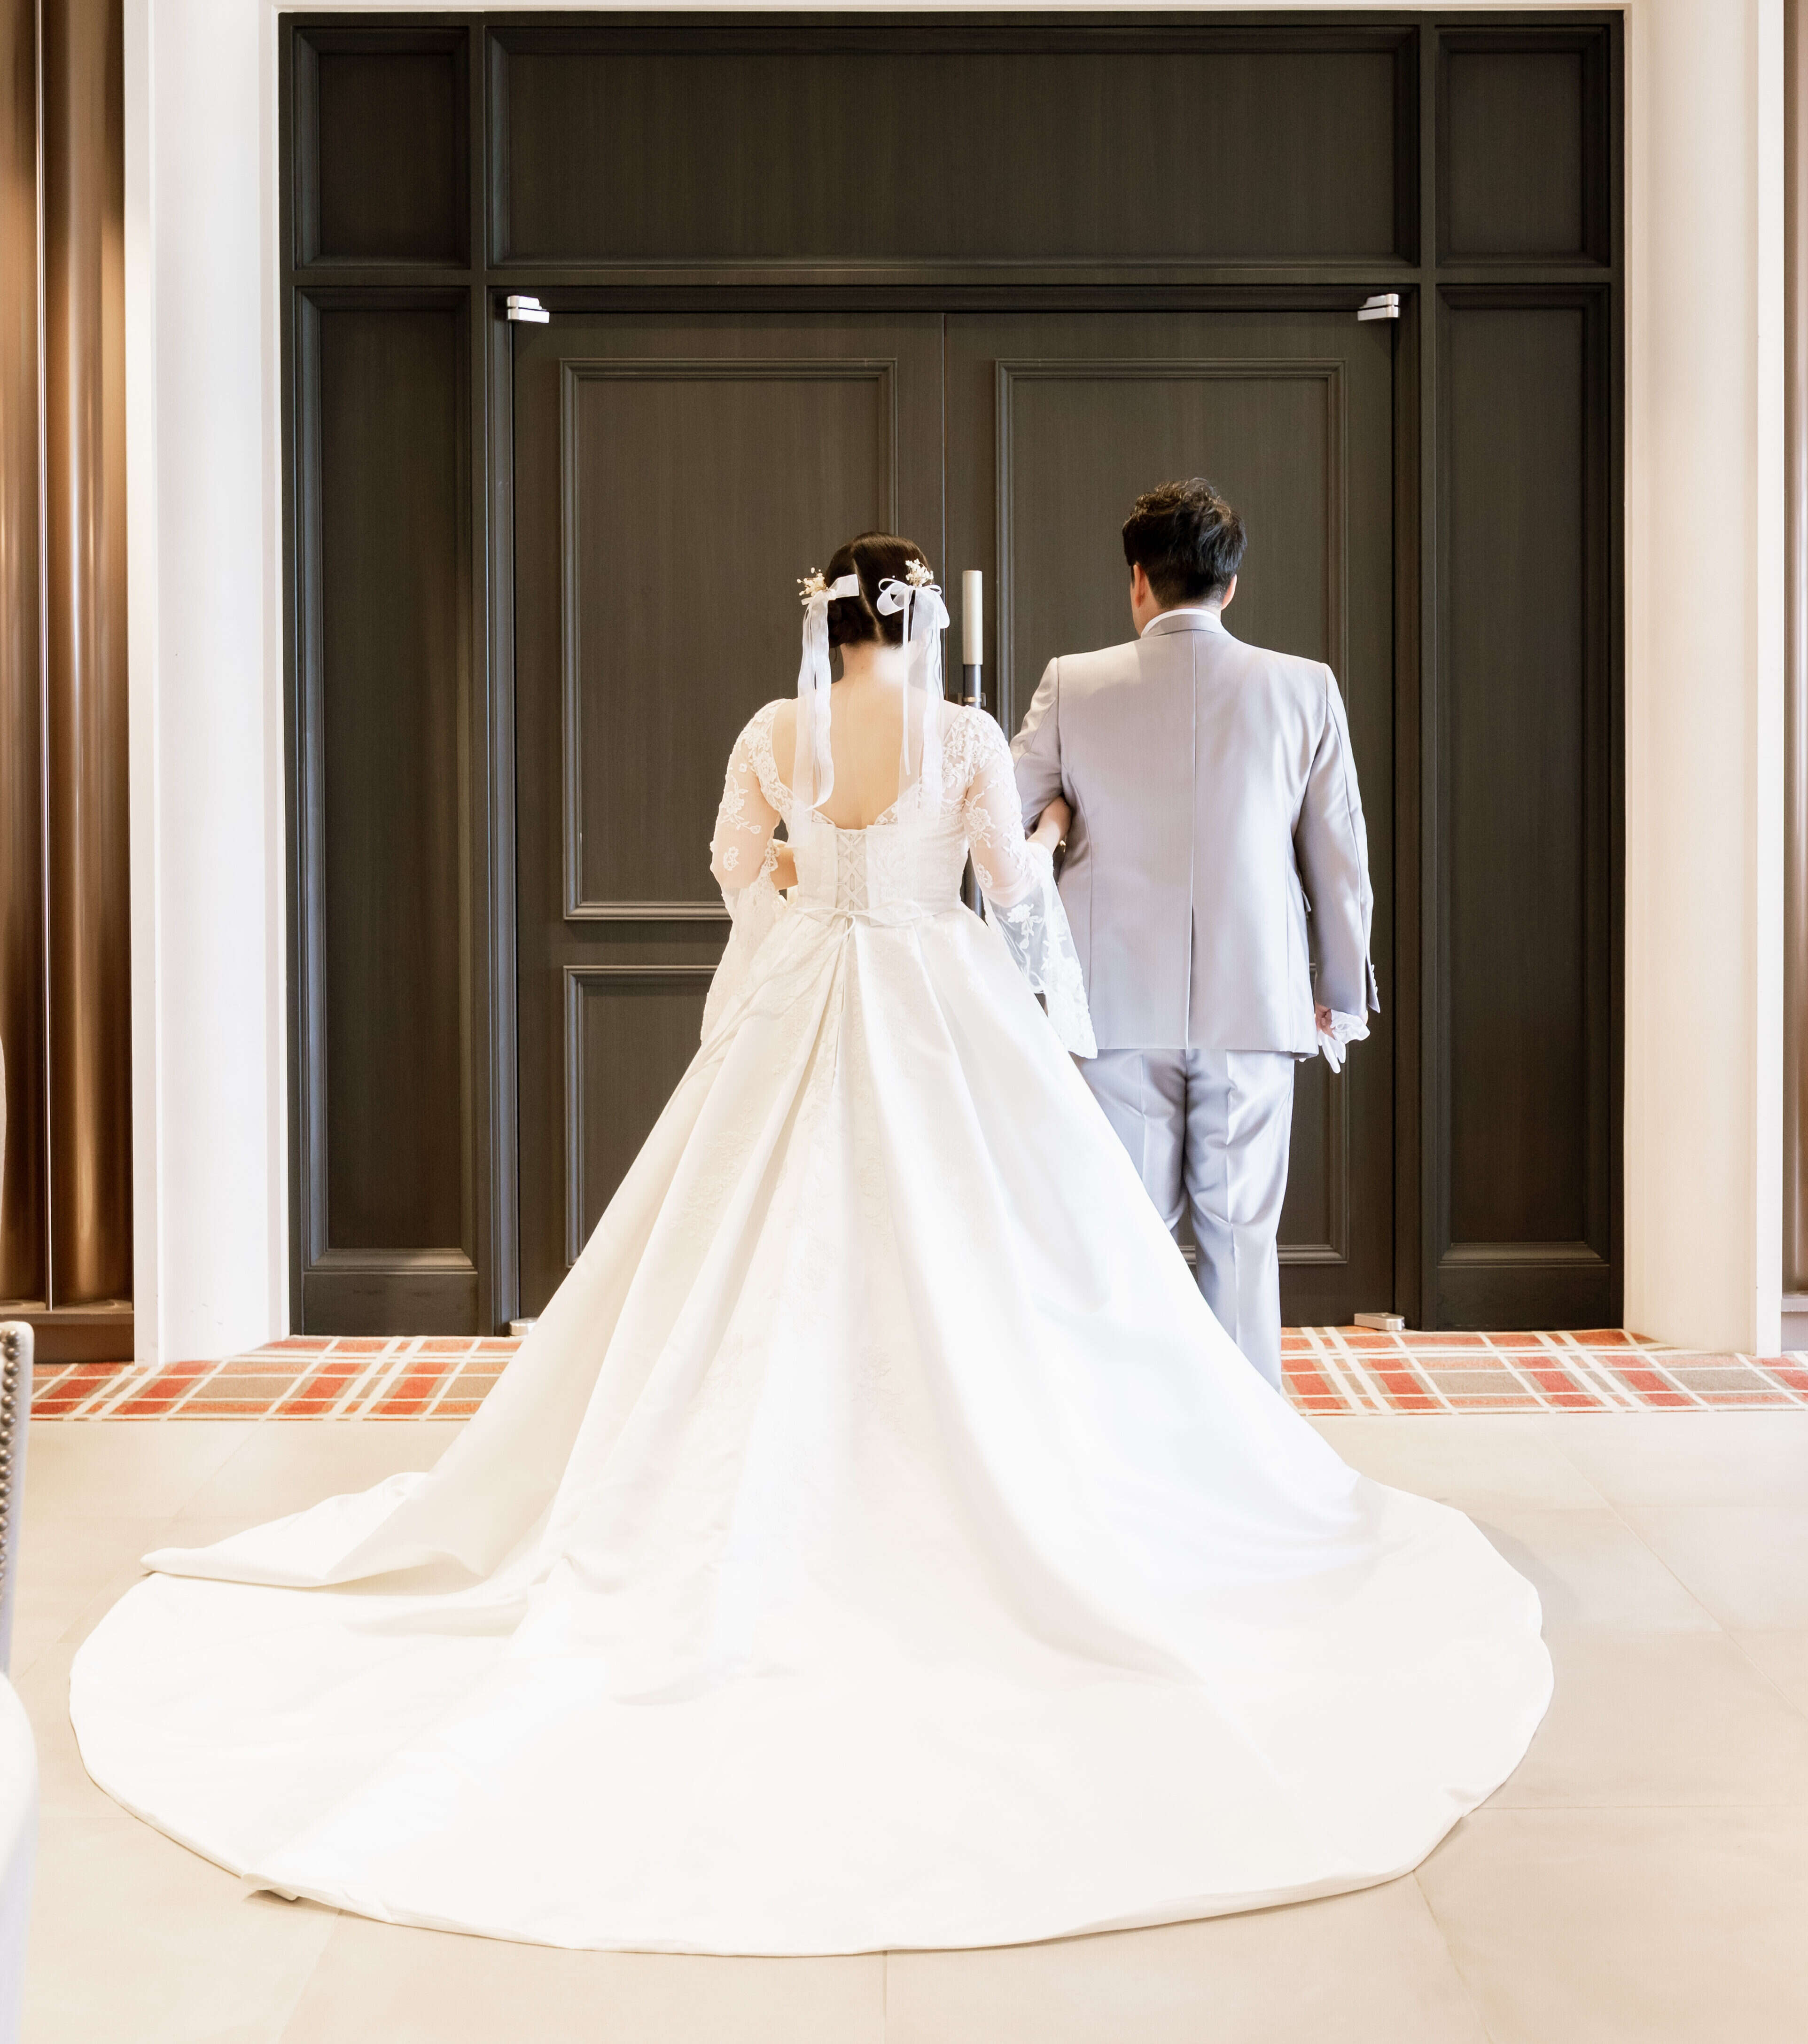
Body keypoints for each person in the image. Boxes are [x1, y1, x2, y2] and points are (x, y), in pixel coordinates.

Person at [70, 531, 1548, 1957]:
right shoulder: (963, 735)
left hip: (805, 1000)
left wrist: (805, 883)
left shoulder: (777, 728)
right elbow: (1010, 891)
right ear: (922, 620)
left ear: (826, 617)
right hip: (938, 1002)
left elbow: (735, 861)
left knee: (746, 1250)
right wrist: (1040, 849)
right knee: (1008, 1260)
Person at [1013, 479, 1379, 1389]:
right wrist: (1337, 996)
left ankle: (1135, 1437)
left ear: (1138, 579)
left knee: (1127, 1244)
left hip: (1111, 1008)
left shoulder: (1072, 684)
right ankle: (1249, 1444)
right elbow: (1339, 861)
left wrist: (1056, 825)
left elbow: (1000, 825)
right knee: (1242, 1246)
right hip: (1254, 1003)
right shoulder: (1304, 688)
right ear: (1231, 584)